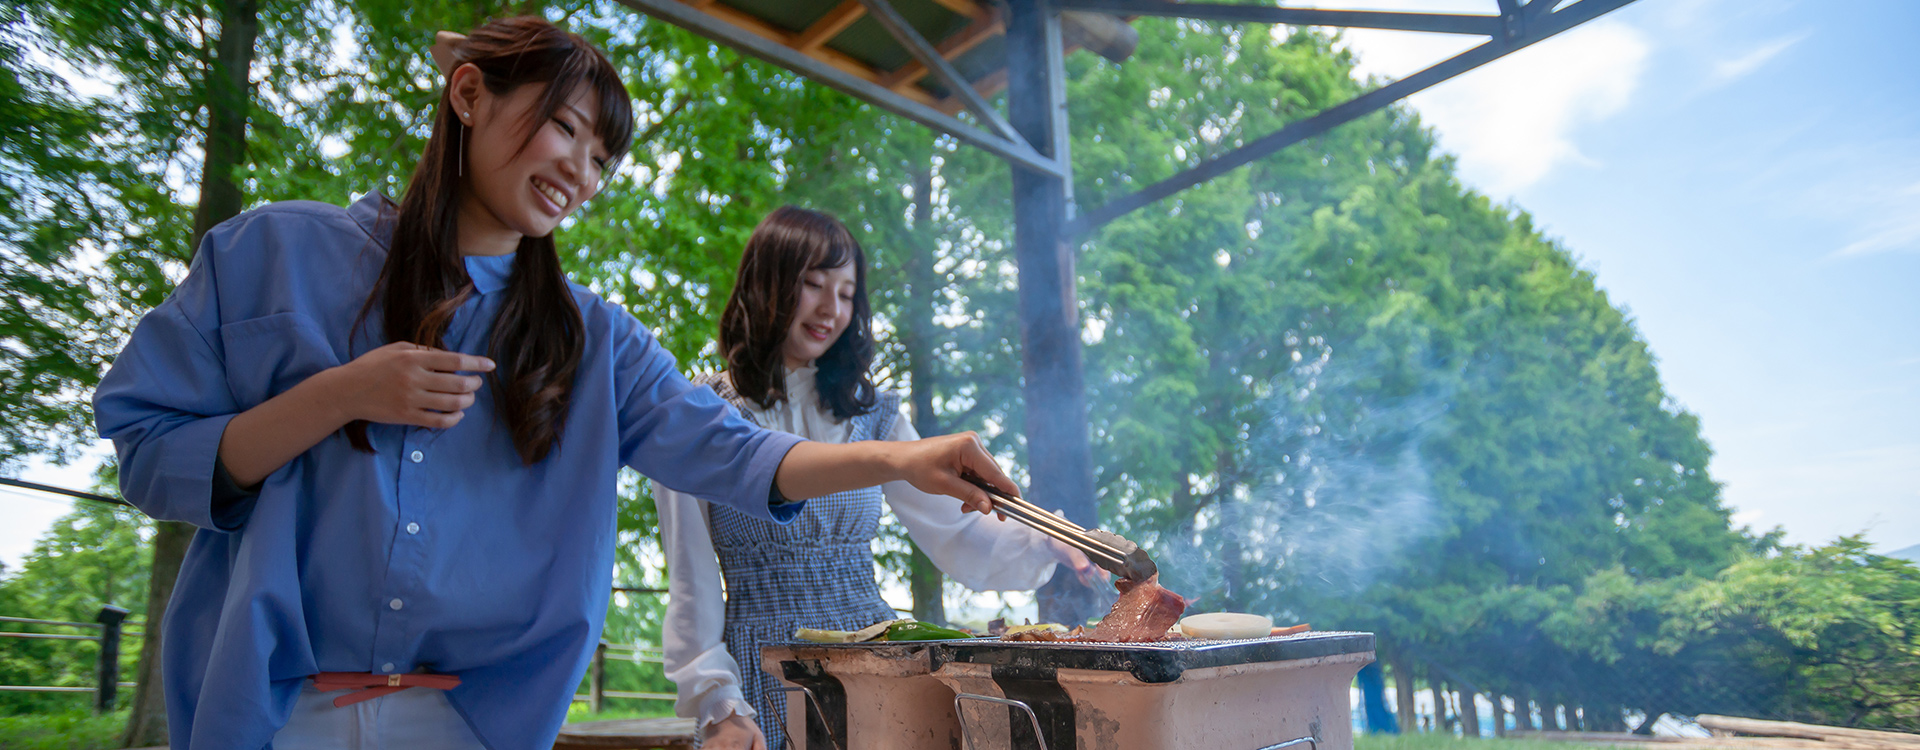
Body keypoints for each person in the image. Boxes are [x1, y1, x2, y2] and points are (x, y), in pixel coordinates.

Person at [92, 18, 1017, 750]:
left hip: (471, 724)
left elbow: (738, 452)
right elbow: (147, 451)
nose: (580, 169)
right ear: (468, 94)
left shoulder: (596, 341)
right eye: (565, 127)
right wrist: (337, 396)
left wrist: (907, 455)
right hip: (265, 715)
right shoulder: (271, 254)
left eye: (602, 157)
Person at [655, 207, 1100, 750]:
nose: (831, 309)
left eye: (846, 294)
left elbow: (958, 532)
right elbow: (691, 580)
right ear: (765, 286)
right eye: (813, 284)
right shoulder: (701, 413)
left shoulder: (876, 416)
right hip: (760, 670)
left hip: (876, 656)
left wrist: (1051, 540)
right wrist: (716, 701)